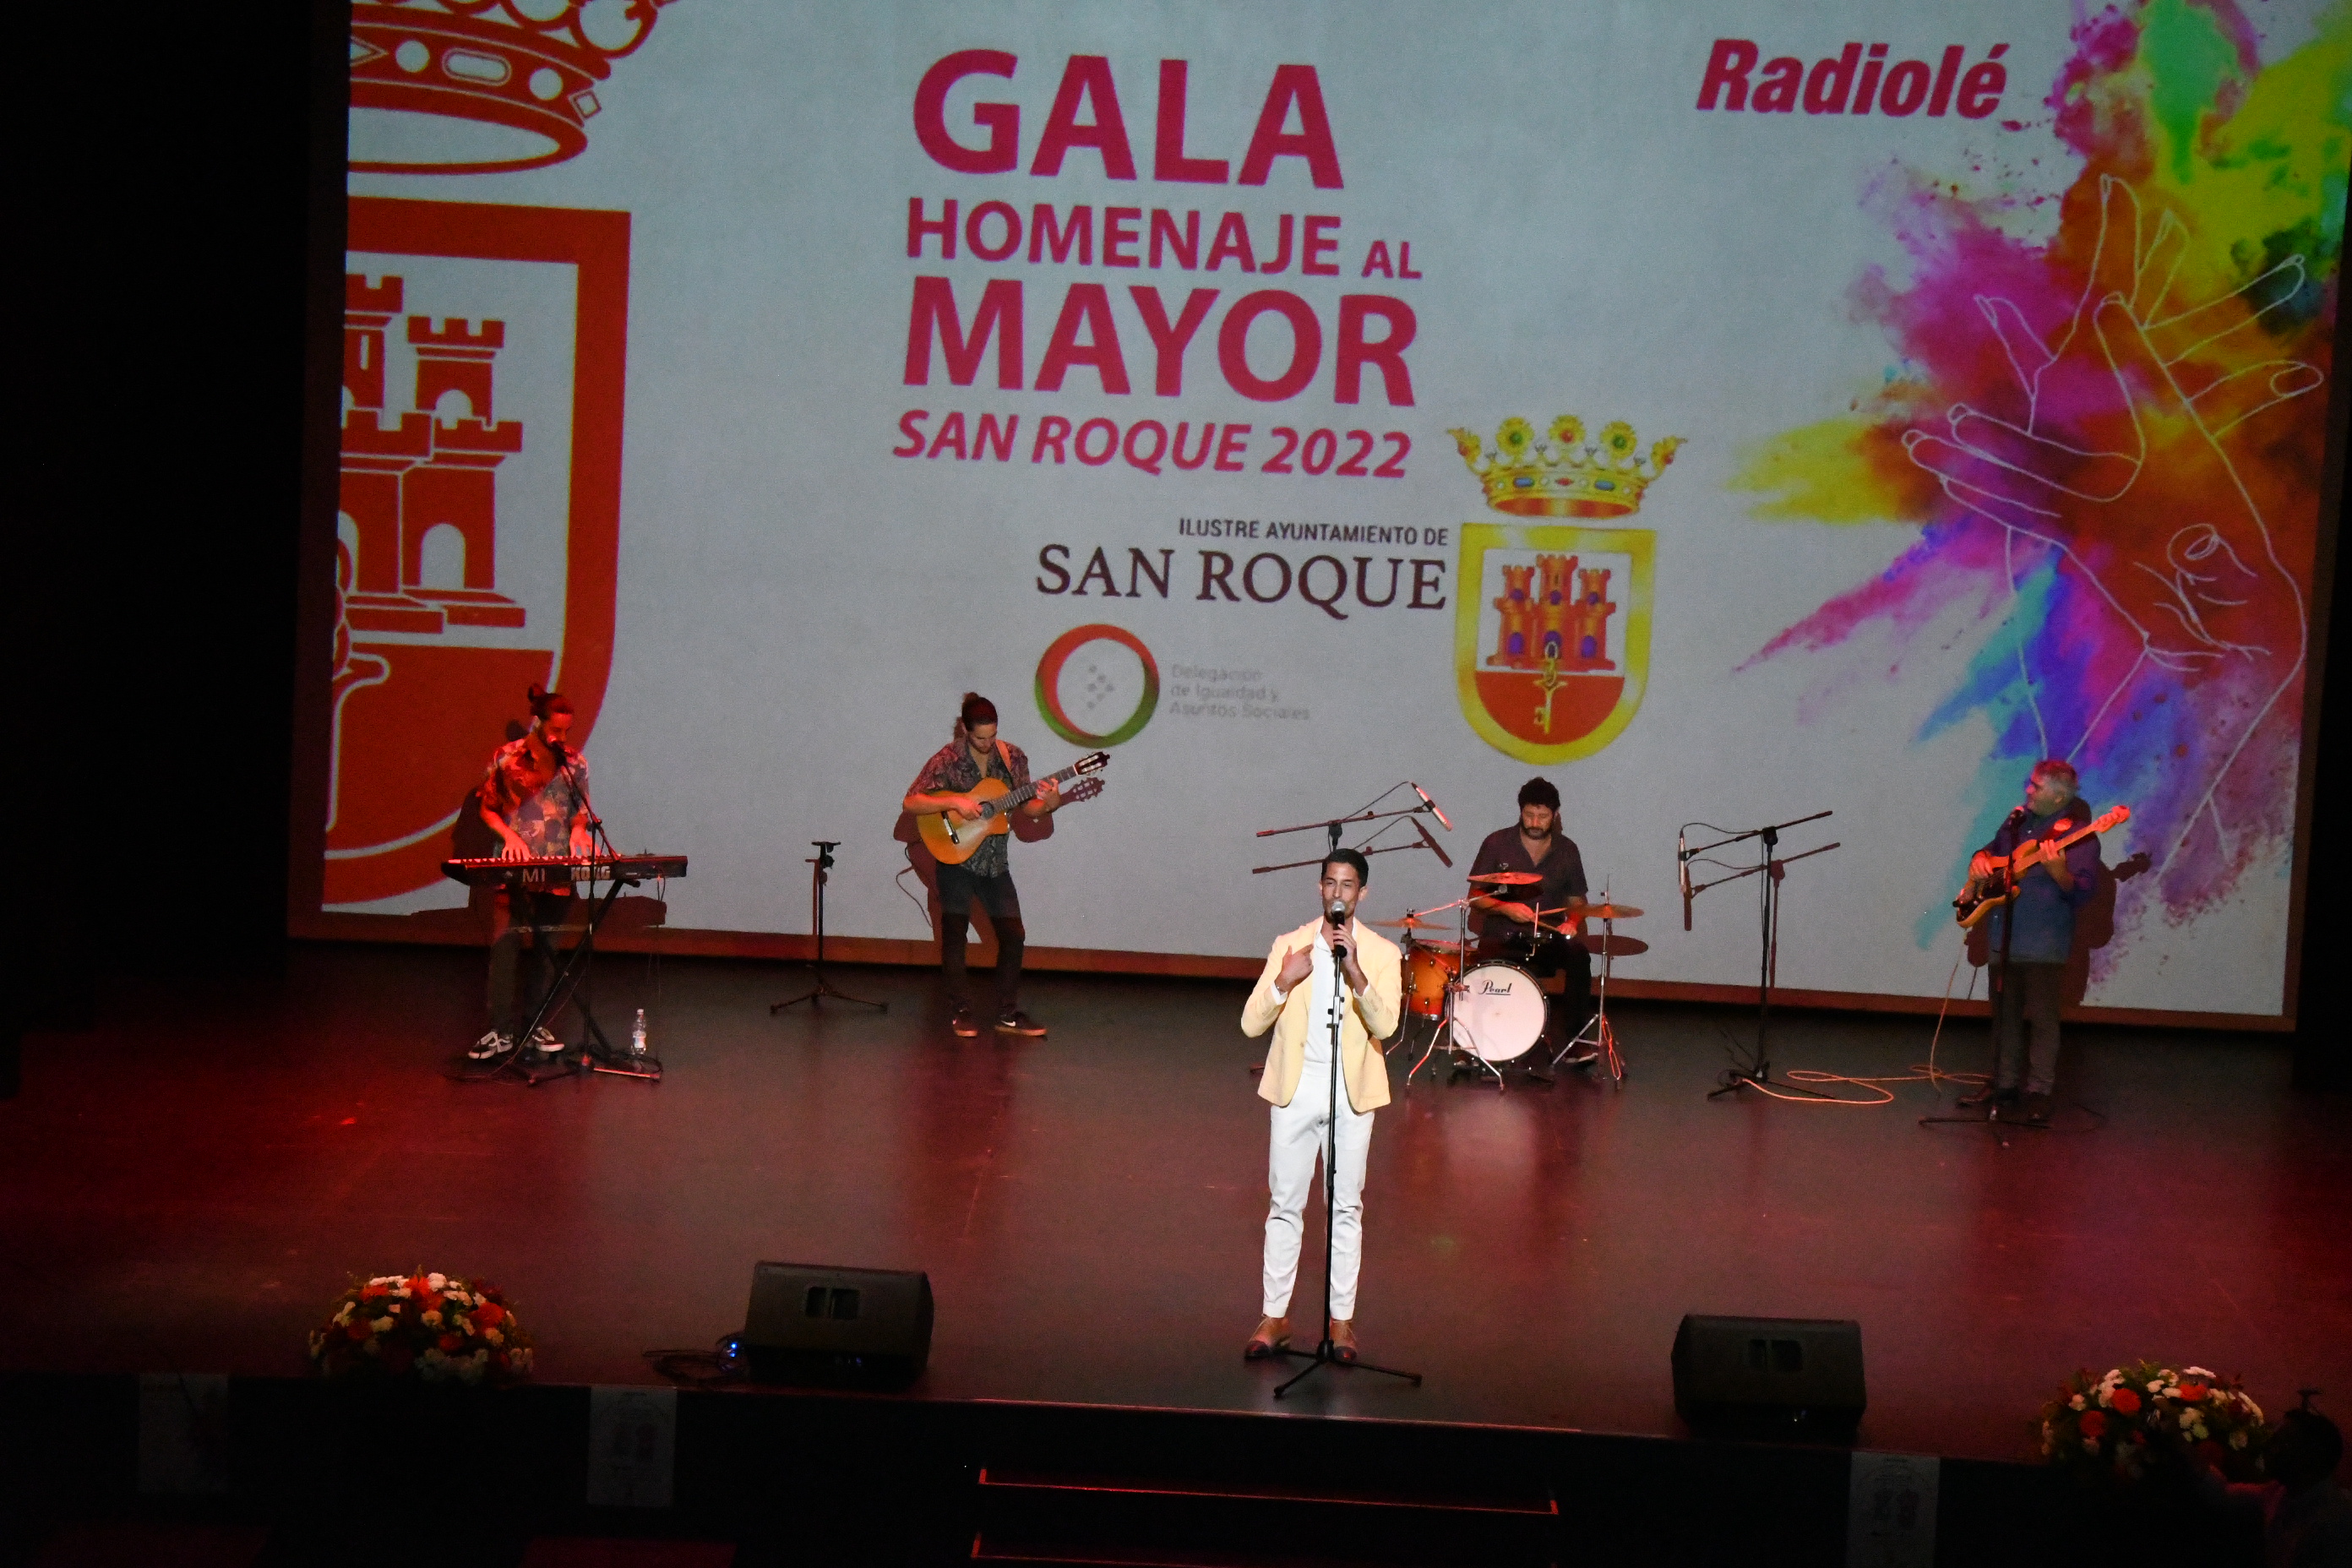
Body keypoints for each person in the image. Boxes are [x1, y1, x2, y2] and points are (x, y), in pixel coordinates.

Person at [1239, 849, 1402, 1367]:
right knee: (1285, 1204)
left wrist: (1355, 970)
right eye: (1330, 883)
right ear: (1320, 887)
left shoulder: (1381, 953)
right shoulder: (1288, 945)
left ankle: (1340, 1320)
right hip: (1296, 1089)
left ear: (1362, 894)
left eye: (1348, 885)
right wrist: (1283, 981)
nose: (1338, 893)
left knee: (1345, 1207)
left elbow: (1386, 1026)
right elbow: (1250, 1024)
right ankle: (1275, 1316)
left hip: (1351, 1094)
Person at [903, 693, 1059, 1038]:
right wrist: (956, 801)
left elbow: (1027, 807)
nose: (988, 744)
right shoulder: (947, 759)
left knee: (1014, 936)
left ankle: (1007, 1014)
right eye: (980, 738)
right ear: (965, 730)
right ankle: (960, 1011)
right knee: (955, 936)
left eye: (992, 736)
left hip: (995, 864)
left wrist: (1050, 802)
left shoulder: (1013, 757)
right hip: (955, 859)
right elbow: (912, 802)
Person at [1960, 759, 2104, 1124]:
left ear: (2058, 796)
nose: (2028, 789)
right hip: (2004, 937)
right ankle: (2003, 1085)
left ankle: (2039, 1091)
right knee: (2004, 1017)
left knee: (2042, 1021)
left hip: (2044, 941)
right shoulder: (2017, 824)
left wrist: (2059, 873)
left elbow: (2083, 894)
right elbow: (1990, 852)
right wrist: (1980, 859)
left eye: (2036, 786)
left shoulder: (2082, 836)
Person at [468, 684, 594, 1061]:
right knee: (505, 946)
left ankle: (535, 1022)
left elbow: (581, 811)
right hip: (515, 868)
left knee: (547, 948)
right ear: (537, 722)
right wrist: (509, 835)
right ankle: (499, 1030)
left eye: (567, 731)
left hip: (557, 869)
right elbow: (487, 808)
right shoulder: (507, 758)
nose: (562, 737)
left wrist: (578, 830)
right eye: (555, 729)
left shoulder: (575, 763)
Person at [1466, 776, 1594, 1064]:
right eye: (1529, 815)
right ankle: (1471, 1045)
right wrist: (1505, 908)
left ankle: (1576, 1042)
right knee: (1480, 966)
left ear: (1555, 815)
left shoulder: (1567, 850)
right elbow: (1475, 897)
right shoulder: (1497, 843)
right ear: (1520, 811)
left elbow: (1577, 903)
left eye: (1543, 816)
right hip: (1503, 935)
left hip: (1548, 937)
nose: (1535, 822)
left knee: (1579, 957)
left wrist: (1572, 922)